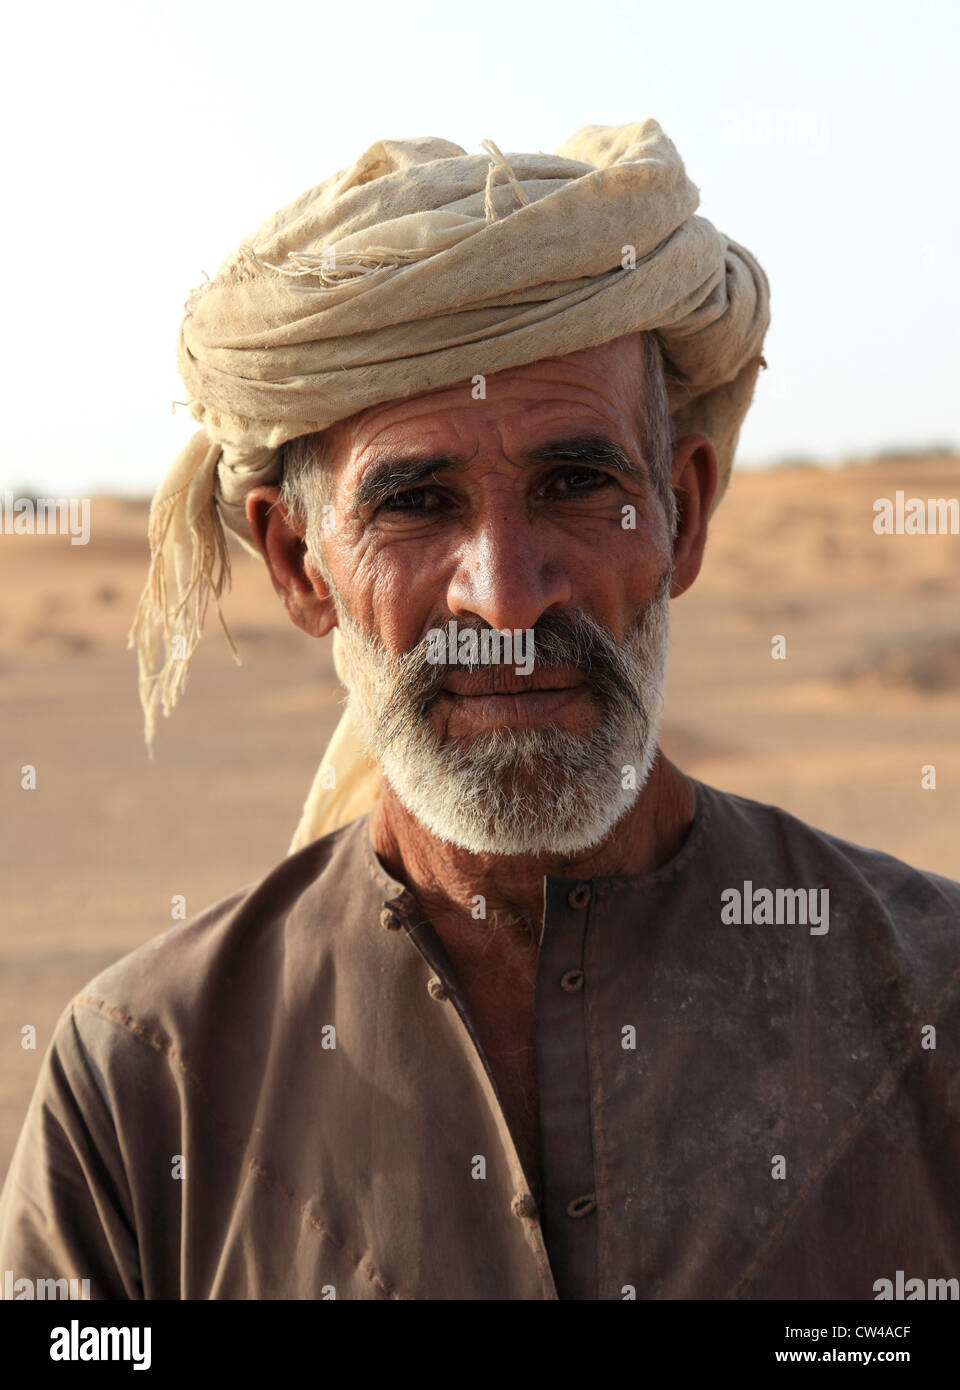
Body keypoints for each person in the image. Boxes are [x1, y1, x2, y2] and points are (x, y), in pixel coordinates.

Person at [1, 122, 958, 1301]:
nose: (506, 596)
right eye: (415, 502)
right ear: (300, 563)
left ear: (684, 516)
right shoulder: (142, 1086)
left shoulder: (935, 1003)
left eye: (575, 485)